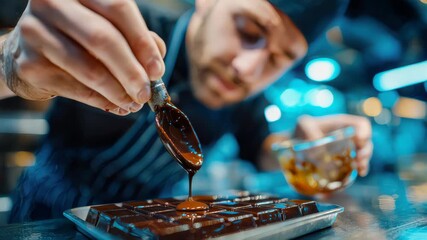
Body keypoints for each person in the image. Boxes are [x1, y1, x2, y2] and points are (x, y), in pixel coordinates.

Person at [0, 0, 373, 222]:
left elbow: (265, 148)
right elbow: (27, 54)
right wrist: (10, 63)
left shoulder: (244, 101)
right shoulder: (127, 31)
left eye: (279, 59)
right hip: (46, 218)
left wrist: (300, 147)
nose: (247, 69)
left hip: (145, 227)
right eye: (246, 30)